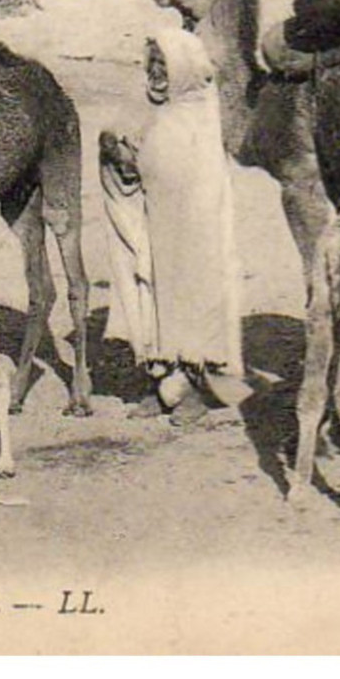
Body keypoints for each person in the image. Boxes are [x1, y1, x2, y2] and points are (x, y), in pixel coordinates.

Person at [100, 28, 251, 424]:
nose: (156, 73)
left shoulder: (202, 113)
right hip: (155, 224)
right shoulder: (148, 108)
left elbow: (205, 181)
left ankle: (195, 387)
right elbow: (125, 158)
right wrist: (116, 153)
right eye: (150, 64)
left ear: (182, 67)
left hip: (194, 231)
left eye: (163, 64)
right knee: (152, 292)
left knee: (193, 296)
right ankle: (163, 381)